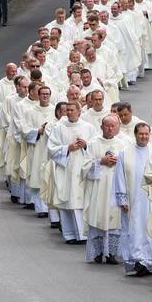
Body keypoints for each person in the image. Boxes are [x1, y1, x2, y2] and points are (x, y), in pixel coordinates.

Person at [47, 101, 96, 244]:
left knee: (80, 203)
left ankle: (83, 235)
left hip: (82, 169)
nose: (69, 112)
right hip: (66, 169)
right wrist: (67, 148)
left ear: (79, 112)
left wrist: (86, 145)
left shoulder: (89, 128)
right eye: (67, 110)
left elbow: (96, 146)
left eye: (72, 110)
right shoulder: (59, 128)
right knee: (67, 202)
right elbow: (51, 148)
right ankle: (70, 235)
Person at [115, 122, 152, 276]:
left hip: (151, 199)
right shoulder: (125, 153)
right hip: (133, 200)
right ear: (135, 134)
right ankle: (138, 261)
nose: (144, 137)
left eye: (146, 134)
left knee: (150, 228)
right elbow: (119, 177)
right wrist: (122, 199)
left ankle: (151, 262)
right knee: (135, 230)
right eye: (141, 134)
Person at [83, 114, 127, 264]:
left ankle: (112, 254)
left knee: (114, 219)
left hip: (115, 186)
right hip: (98, 187)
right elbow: (84, 166)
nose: (109, 128)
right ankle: (97, 252)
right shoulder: (93, 143)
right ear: (101, 127)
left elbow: (128, 166)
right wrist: (100, 161)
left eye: (113, 126)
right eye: (106, 125)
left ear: (118, 127)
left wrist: (119, 162)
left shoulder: (123, 144)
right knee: (98, 216)